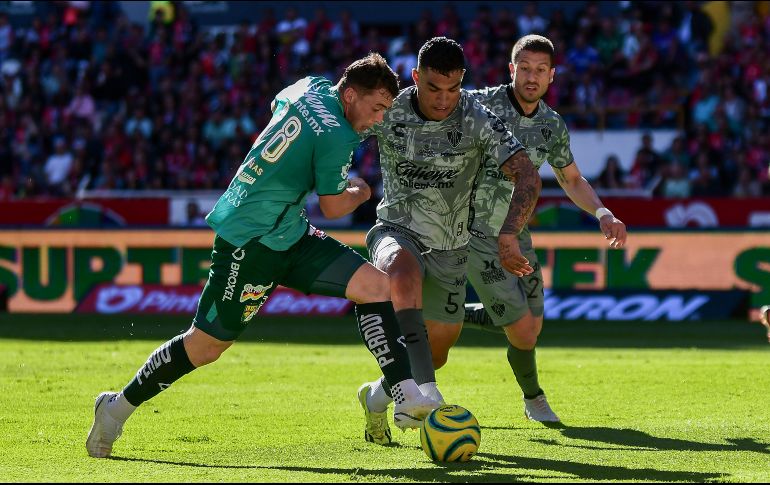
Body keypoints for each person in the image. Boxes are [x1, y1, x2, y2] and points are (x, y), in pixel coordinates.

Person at [86, 53, 441, 459]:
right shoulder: (338, 137)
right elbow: (332, 207)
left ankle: (404, 392)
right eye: (376, 107)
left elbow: (279, 105)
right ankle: (115, 408)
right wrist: (361, 191)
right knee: (206, 346)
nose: (378, 119)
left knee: (376, 286)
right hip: (249, 241)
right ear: (349, 94)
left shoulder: (309, 85)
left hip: (290, 231)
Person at [357, 37, 541, 444]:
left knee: (435, 353)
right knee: (401, 273)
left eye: (454, 88)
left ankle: (375, 396)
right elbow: (340, 132)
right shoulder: (390, 110)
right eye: (433, 88)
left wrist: (509, 232)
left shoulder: (476, 117)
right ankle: (426, 395)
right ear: (416, 77)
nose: (444, 99)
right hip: (396, 230)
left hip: (452, 248)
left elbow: (527, 174)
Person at [462, 34, 628, 422]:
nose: (531, 77)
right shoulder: (479, 104)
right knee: (521, 330)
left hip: (515, 232)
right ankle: (534, 399)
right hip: (471, 232)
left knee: (532, 326)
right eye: (524, 68)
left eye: (540, 70)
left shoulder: (552, 124)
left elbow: (571, 180)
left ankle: (457, 314)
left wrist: (603, 212)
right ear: (511, 69)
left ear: (552, 76)